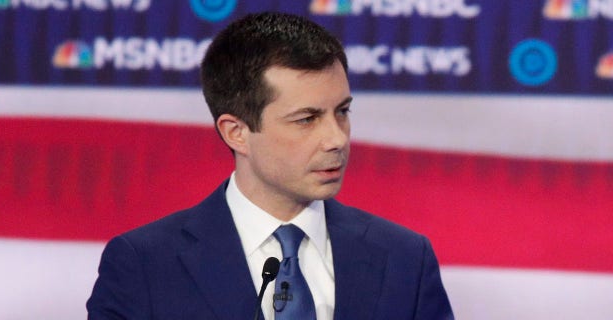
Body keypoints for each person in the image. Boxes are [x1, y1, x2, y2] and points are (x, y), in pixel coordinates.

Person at [87, 11, 454, 320]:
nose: (337, 139)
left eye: (342, 112)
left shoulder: (406, 259)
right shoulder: (145, 265)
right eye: (306, 119)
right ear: (237, 133)